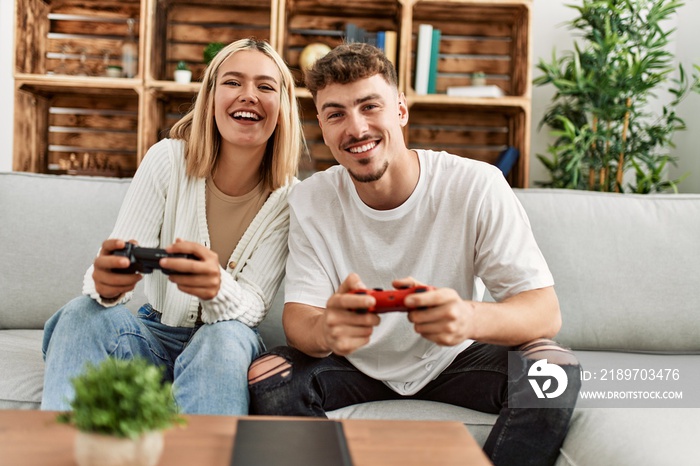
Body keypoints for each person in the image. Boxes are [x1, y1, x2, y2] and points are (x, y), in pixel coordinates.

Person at [247, 42, 581, 465]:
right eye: (336, 114)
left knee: (553, 370)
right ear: (321, 125)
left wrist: (467, 318)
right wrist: (327, 330)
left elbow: (544, 312)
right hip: (352, 364)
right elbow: (299, 319)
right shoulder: (311, 198)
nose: (356, 128)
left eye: (370, 107)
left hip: (453, 359)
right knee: (267, 376)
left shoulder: (476, 185)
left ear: (401, 110)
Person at [41, 38, 304, 415]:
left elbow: (253, 308)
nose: (249, 95)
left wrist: (216, 287)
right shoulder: (166, 160)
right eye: (232, 82)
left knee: (227, 337)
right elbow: (120, 260)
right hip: (152, 333)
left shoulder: (290, 200)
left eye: (265, 86)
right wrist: (105, 284)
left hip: (222, 344)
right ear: (210, 96)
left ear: (283, 107)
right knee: (82, 314)